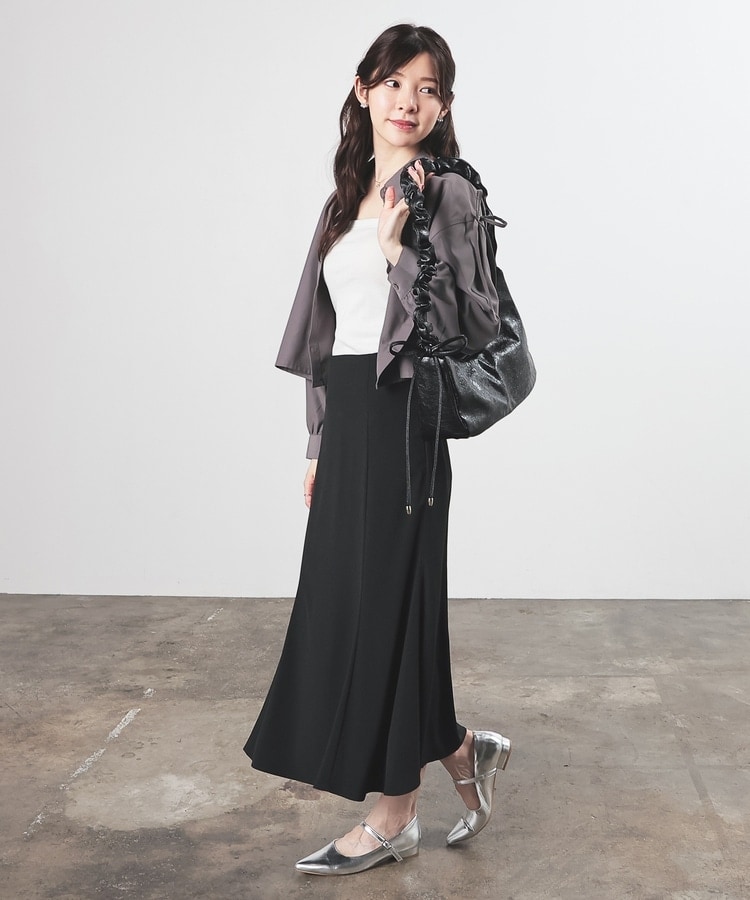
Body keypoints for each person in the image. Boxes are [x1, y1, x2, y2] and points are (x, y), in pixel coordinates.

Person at [244, 23, 511, 875]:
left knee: (391, 606)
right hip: (353, 415)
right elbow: (327, 342)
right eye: (395, 82)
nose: (409, 101)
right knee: (352, 602)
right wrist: (318, 442)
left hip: (407, 418)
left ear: (444, 106)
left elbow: (473, 323)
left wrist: (401, 255)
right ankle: (461, 749)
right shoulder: (344, 197)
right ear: (363, 90)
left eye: (428, 88)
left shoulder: (448, 192)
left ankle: (393, 816)